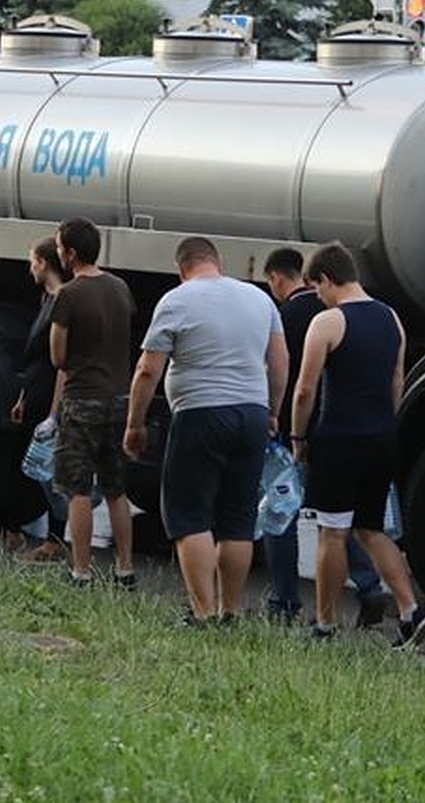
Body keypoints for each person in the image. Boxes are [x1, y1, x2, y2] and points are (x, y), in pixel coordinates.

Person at [126, 237, 287, 623]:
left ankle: (203, 611)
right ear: (218, 262)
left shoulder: (177, 300)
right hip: (251, 413)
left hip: (200, 414)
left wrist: (134, 423)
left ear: (182, 268)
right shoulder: (259, 298)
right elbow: (280, 362)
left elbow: (148, 369)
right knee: (237, 517)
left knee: (190, 515)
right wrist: (271, 412)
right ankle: (231, 609)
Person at [291, 241, 425, 647]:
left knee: (332, 532)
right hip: (381, 436)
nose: (318, 297)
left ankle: (325, 624)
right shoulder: (392, 319)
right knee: (372, 528)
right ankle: (410, 611)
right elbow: (396, 382)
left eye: (316, 289)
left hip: (339, 438)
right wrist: (384, 424)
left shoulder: (329, 322)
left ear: (326, 279)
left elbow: (305, 389)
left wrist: (299, 437)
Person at [262, 246, 390, 626]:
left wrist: (287, 428)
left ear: (276, 278)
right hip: (349, 425)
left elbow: (292, 379)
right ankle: (369, 585)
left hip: (301, 427)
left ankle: (285, 600)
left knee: (282, 511)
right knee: (339, 519)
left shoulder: (287, 315)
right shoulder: (368, 314)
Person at [49, 217, 137, 586]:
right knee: (117, 488)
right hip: (119, 398)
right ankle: (125, 568)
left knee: (78, 488)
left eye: (58, 247)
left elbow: (57, 355)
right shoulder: (120, 287)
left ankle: (81, 570)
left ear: (69, 253)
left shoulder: (69, 294)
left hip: (82, 398)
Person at [10, 236, 69, 561]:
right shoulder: (46, 300)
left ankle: (53, 539)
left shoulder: (62, 302)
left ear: (44, 263)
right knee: (31, 464)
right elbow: (31, 354)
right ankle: (28, 530)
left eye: (33, 261)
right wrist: (22, 396)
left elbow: (61, 363)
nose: (30, 268)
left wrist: (53, 412)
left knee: (47, 467)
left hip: (49, 394)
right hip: (34, 390)